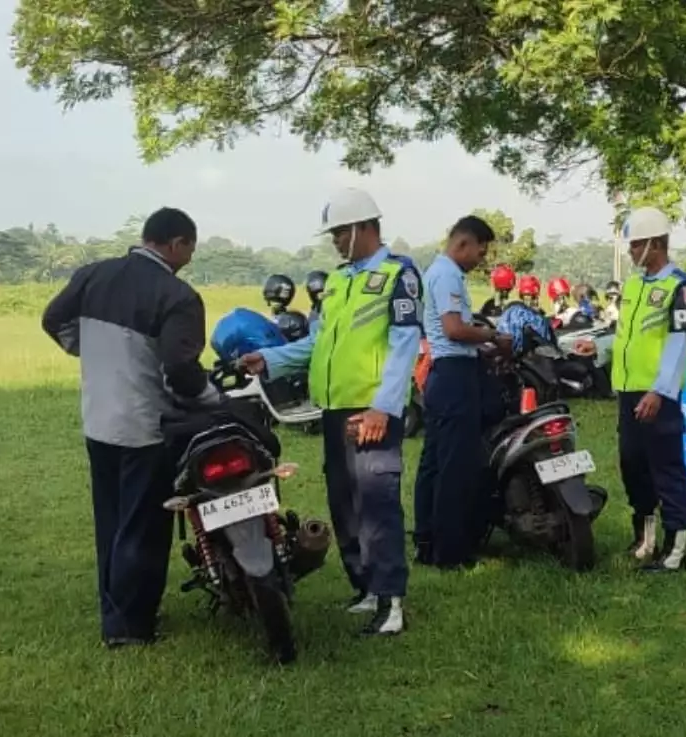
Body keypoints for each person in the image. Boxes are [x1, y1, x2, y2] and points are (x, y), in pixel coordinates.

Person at [240, 187, 421, 636]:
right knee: (346, 503)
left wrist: (383, 407)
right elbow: (319, 342)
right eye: (335, 234)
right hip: (336, 409)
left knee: (377, 504)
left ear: (365, 227)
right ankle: (366, 587)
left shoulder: (399, 275)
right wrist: (272, 360)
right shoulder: (339, 281)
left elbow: (403, 347)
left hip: (372, 410)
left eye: (341, 232)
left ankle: (391, 600)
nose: (336, 241)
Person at [40, 207, 218, 648]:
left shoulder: (92, 274)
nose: (188, 260)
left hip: (97, 419)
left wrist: (90, 352)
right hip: (144, 426)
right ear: (176, 243)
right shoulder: (177, 295)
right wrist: (214, 397)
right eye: (189, 250)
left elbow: (51, 319)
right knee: (143, 527)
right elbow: (180, 368)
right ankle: (130, 627)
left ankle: (113, 609)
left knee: (112, 521)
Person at [412, 215, 511, 569]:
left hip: (444, 373)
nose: (480, 261)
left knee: (434, 463)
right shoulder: (449, 275)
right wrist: (492, 337)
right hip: (455, 377)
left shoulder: (435, 272)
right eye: (480, 252)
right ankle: (452, 553)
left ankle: (426, 540)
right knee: (456, 467)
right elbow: (455, 330)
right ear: (463, 244)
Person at [611, 206, 686, 573]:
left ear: (654, 244)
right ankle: (644, 537)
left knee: (666, 468)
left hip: (657, 396)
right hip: (627, 391)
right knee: (633, 466)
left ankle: (675, 547)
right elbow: (626, 335)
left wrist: (660, 392)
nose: (631, 253)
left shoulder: (680, 287)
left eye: (635, 246)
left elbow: (680, 343)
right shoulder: (634, 285)